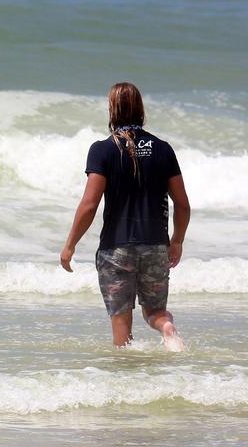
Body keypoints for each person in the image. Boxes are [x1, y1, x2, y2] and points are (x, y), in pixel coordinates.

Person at [60, 82, 190, 350]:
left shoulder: (103, 150)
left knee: (122, 332)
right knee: (155, 312)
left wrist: (70, 244)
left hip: (116, 250)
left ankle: (124, 381)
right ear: (140, 109)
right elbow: (183, 204)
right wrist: (176, 241)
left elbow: (89, 204)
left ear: (112, 109)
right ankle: (167, 328)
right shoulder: (163, 149)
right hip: (156, 246)